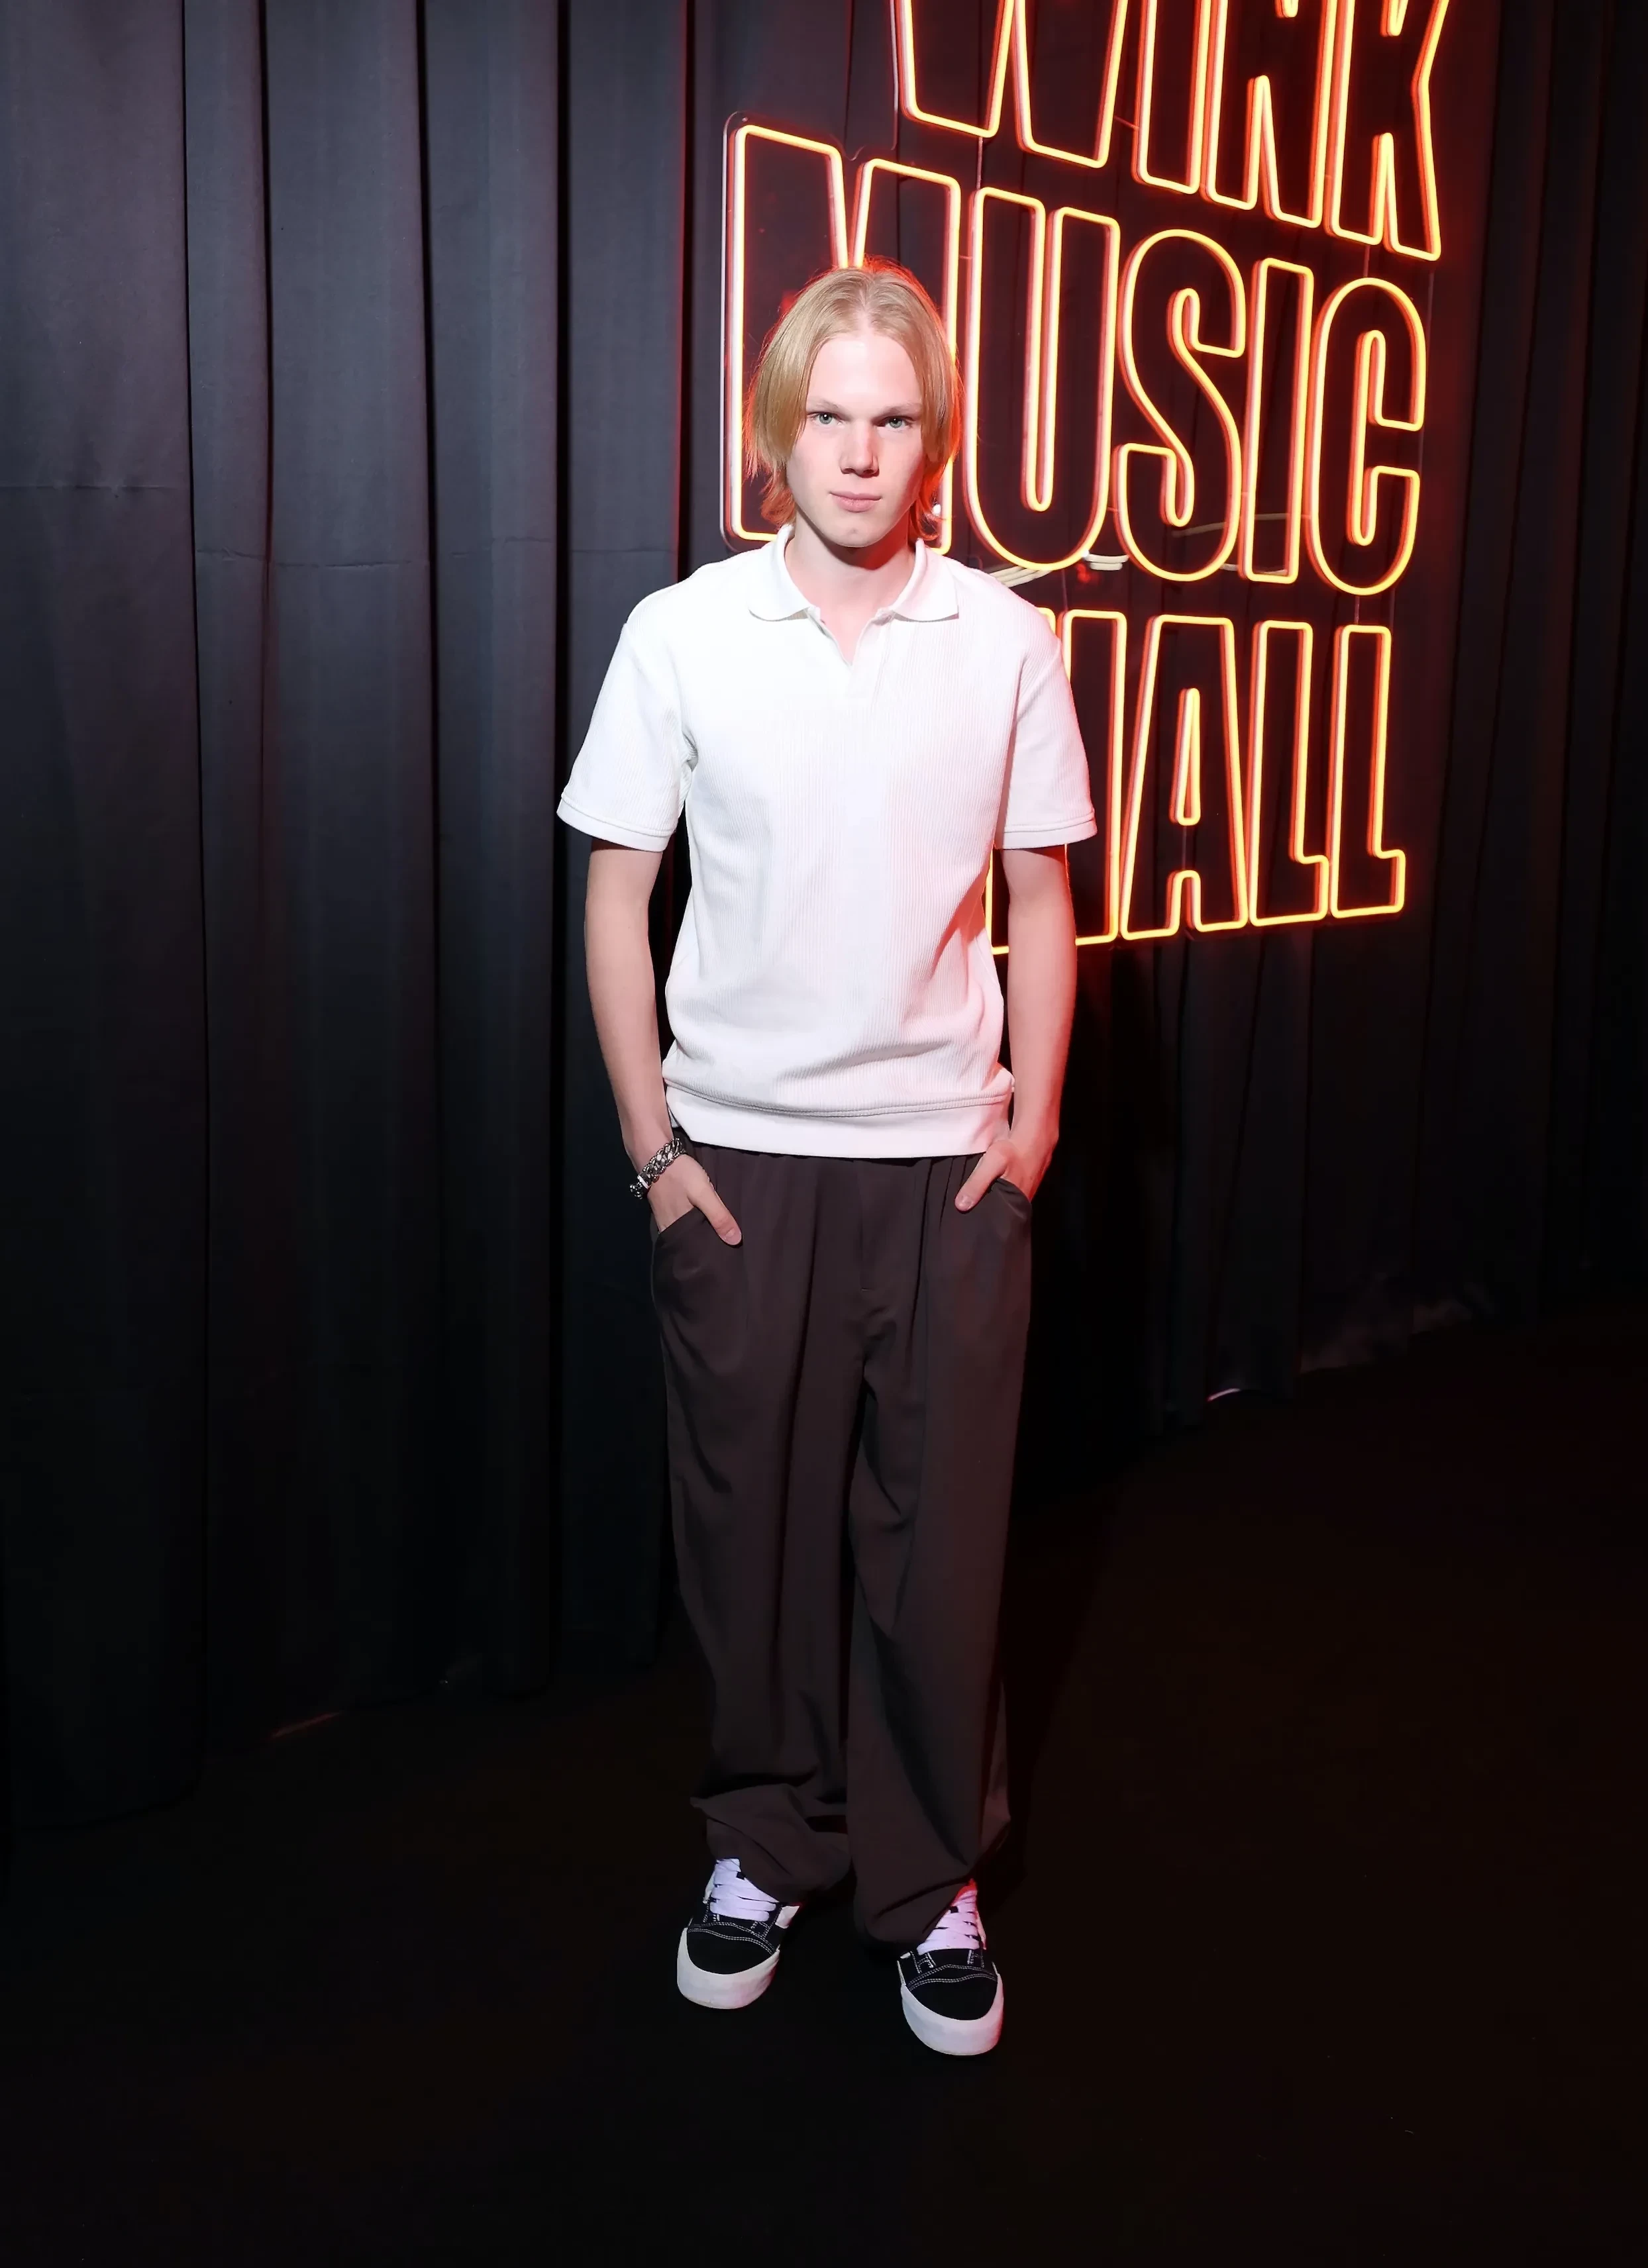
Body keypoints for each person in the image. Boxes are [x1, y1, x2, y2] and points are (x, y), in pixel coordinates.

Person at [556, 260, 1095, 2057]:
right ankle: (765, 1844)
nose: (860, 452)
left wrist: (1032, 1129)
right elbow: (617, 892)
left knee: (942, 1555)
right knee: (753, 1546)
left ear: (937, 441)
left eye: (896, 418)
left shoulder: (1007, 642)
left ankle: (931, 1880)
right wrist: (654, 1150)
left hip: (947, 1174)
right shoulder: (683, 632)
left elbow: (1040, 893)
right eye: (830, 416)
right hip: (742, 1170)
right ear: (774, 432)